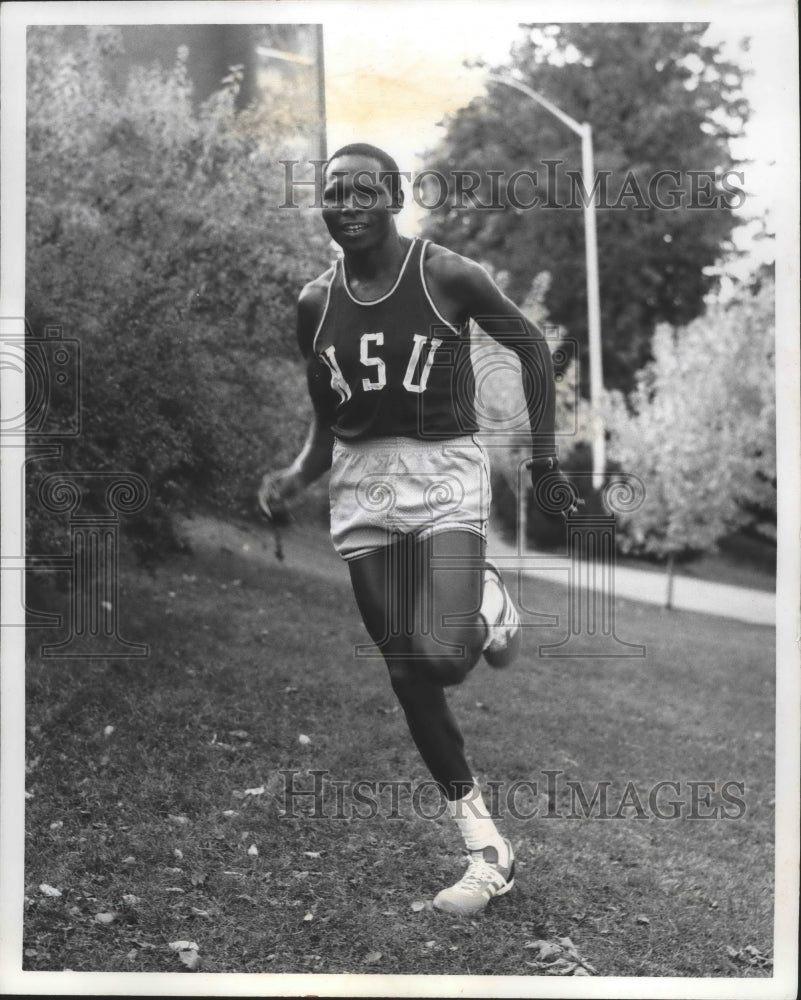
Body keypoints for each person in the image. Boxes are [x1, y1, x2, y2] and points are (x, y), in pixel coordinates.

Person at [259, 142, 576, 916]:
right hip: (361, 485)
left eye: (366, 188)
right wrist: (299, 475)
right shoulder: (313, 303)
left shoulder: (445, 275)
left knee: (440, 656)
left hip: (441, 473)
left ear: (395, 197)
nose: (348, 202)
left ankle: (490, 606)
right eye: (335, 191)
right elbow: (327, 409)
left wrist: (542, 461)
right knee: (405, 674)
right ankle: (485, 849)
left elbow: (531, 348)